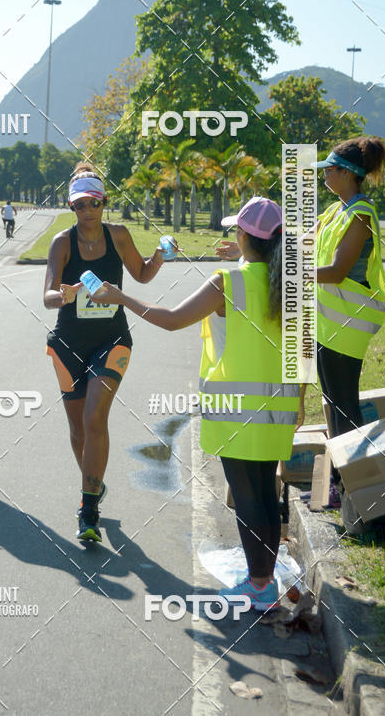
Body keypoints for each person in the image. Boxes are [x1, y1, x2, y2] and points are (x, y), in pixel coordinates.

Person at [91, 197, 304, 610]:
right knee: (264, 493)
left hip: (235, 410)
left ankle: (260, 587)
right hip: (277, 408)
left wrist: (122, 298)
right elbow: (304, 351)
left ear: (243, 236)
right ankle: (263, 581)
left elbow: (171, 319)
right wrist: (298, 406)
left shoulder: (227, 282)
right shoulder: (291, 283)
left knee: (247, 498)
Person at [43, 163, 165, 543]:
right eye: (79, 205)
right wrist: (67, 292)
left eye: (93, 203)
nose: (87, 211)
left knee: (96, 416)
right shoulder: (62, 243)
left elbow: (142, 274)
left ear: (104, 202)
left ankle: (88, 509)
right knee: (78, 428)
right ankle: (93, 484)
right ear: (71, 206)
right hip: (67, 344)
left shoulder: (120, 236)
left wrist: (161, 255)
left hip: (113, 340)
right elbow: (48, 297)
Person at [315, 137, 385, 442]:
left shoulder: (359, 215)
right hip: (327, 325)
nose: (324, 176)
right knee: (333, 404)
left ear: (346, 173)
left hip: (346, 327)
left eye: (328, 170)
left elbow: (337, 272)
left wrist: (290, 275)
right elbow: (302, 242)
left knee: (344, 406)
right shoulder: (336, 210)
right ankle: (339, 482)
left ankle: (354, 483)